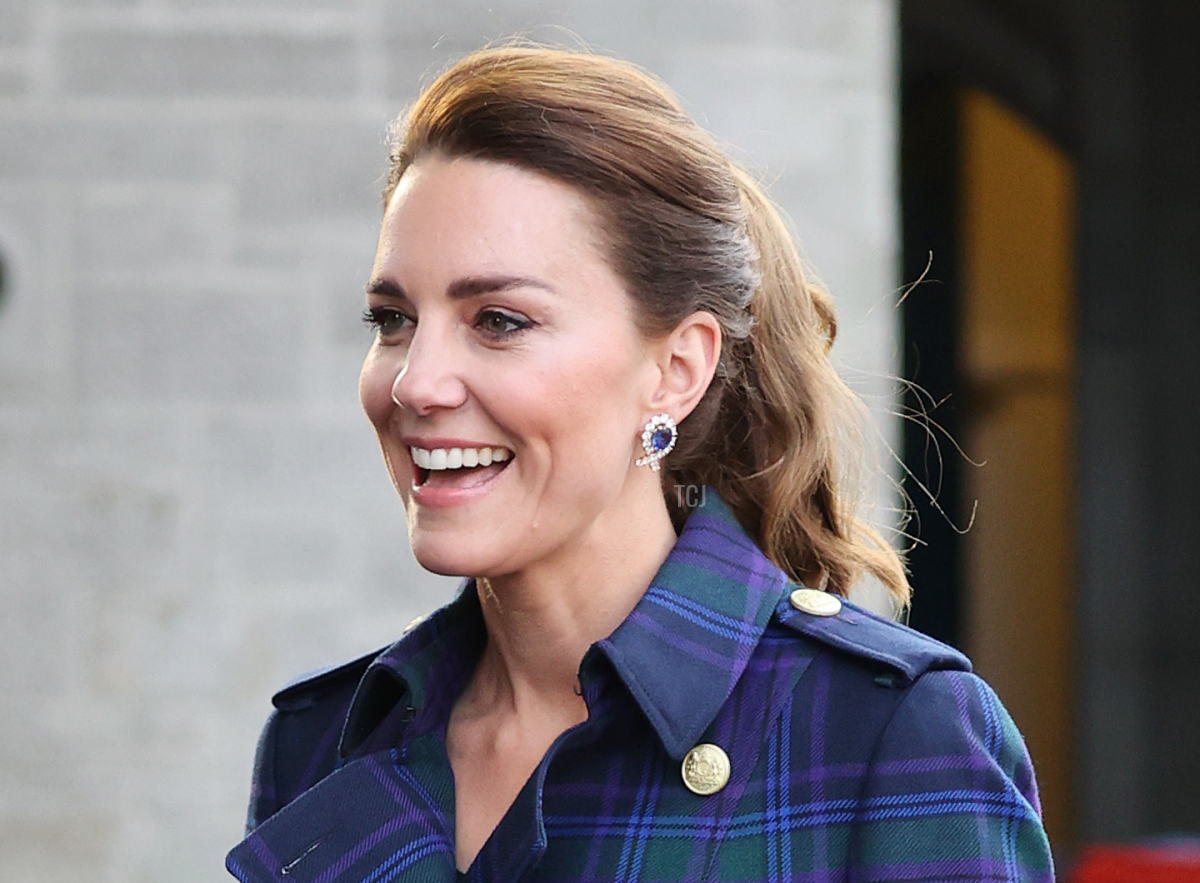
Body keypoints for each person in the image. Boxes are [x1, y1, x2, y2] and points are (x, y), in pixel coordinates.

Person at [225, 45, 1054, 883]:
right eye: (392, 317)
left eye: (500, 320)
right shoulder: (322, 741)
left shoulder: (890, 735)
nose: (417, 381)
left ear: (675, 369)